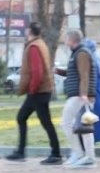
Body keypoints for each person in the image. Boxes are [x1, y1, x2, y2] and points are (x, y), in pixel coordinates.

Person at [5, 22, 63, 164]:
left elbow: (37, 72)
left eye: (26, 30)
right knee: (23, 117)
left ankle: (55, 154)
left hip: (38, 91)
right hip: (41, 90)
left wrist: (32, 90)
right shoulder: (40, 44)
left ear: (30, 31)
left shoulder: (34, 47)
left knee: (44, 122)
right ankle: (21, 151)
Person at [56, 29, 98, 168]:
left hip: (79, 95)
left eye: (66, 38)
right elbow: (75, 73)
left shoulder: (81, 53)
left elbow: (84, 75)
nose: (64, 41)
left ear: (72, 39)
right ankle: (89, 157)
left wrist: (84, 94)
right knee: (84, 126)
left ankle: (79, 153)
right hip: (80, 94)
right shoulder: (78, 53)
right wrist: (58, 71)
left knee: (66, 123)